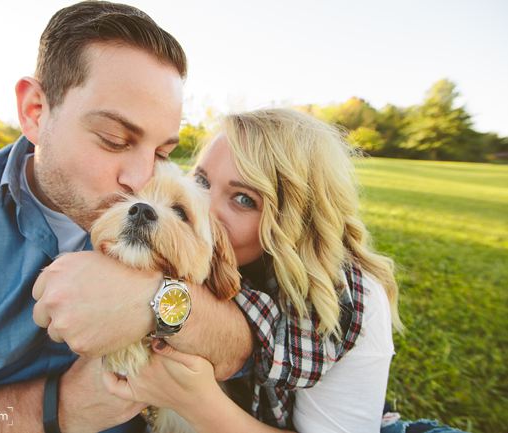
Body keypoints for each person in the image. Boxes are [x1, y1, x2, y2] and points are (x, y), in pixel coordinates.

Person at [0, 2, 252, 433]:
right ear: (35, 110)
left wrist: (156, 302)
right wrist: (61, 408)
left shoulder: (159, 221)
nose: (141, 179)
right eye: (114, 139)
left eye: (161, 153)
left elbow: (242, 347)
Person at [103, 108, 403, 432]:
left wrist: (195, 400)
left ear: (292, 225)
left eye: (243, 199)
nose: (204, 206)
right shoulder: (186, 253)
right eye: (201, 180)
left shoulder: (352, 300)